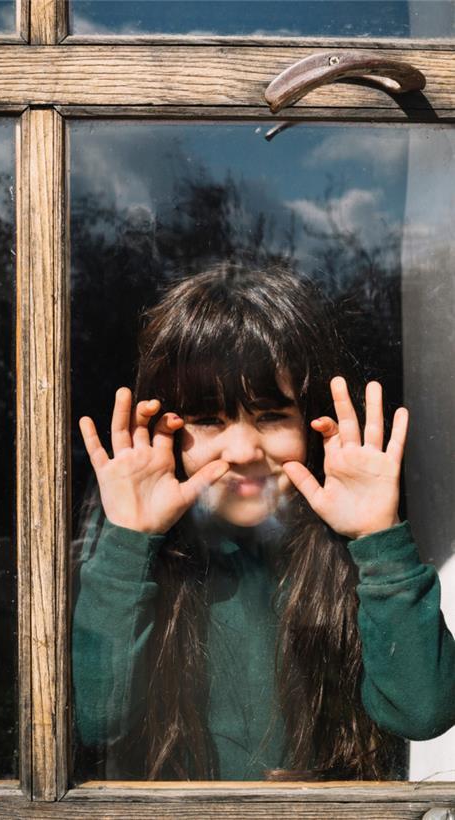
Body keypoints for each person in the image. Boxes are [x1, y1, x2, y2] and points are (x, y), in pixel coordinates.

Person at [72, 263, 455, 781]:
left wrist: (377, 542)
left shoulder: (347, 554)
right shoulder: (146, 558)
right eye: (209, 419)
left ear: (312, 420)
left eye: (272, 417)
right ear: (166, 425)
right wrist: (129, 541)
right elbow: (99, 718)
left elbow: (423, 711)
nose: (243, 450)